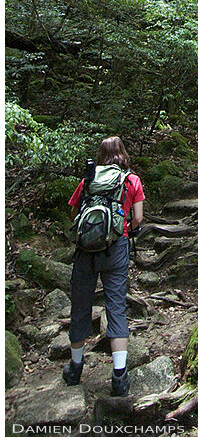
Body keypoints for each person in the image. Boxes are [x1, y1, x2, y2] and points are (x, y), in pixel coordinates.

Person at [63, 136, 145, 396]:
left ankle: (75, 368)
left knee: (80, 305)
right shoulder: (131, 180)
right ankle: (119, 377)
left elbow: (75, 214)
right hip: (116, 249)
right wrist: (121, 230)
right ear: (123, 153)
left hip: (85, 251)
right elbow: (138, 219)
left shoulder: (88, 179)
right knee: (116, 307)